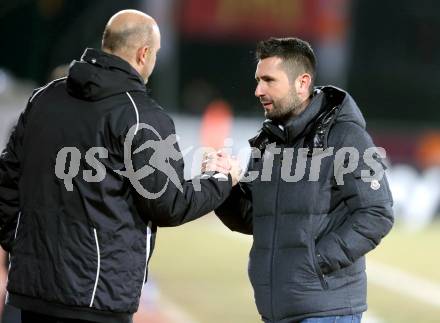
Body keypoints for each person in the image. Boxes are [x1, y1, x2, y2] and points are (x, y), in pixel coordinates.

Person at [0, 9, 239, 323]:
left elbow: (6, 184)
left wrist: (24, 248)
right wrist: (220, 179)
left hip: (32, 295)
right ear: (143, 54)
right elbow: (169, 203)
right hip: (96, 300)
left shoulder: (42, 100)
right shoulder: (141, 116)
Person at [212, 38, 394, 323]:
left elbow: (377, 213)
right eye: (258, 80)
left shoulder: (346, 136)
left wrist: (316, 262)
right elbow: (252, 219)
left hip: (325, 311)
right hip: (277, 310)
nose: (258, 90)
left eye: (269, 80)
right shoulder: (267, 141)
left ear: (302, 82)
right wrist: (226, 186)